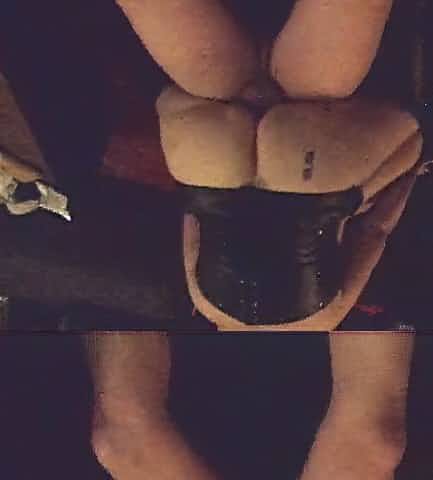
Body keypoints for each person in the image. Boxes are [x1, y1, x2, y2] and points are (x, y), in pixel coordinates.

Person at [87, 1, 424, 479]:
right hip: (209, 161)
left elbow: (376, 230)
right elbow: (193, 218)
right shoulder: (209, 306)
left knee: (331, 96)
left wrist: (407, 170)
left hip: (314, 168)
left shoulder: (324, 314)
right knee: (220, 81)